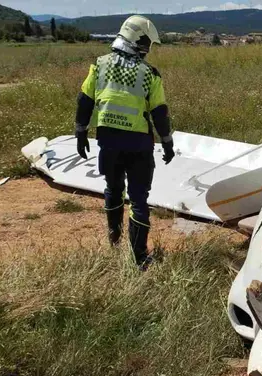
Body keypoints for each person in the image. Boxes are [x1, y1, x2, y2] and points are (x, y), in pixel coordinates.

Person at [74, 15, 175, 269]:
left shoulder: (99, 65)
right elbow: (159, 112)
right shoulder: (149, 73)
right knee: (138, 198)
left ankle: (114, 241)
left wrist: (80, 132)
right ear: (137, 39)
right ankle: (139, 258)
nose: (147, 49)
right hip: (139, 144)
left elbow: (85, 100)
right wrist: (167, 142)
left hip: (108, 141)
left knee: (113, 188)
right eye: (146, 43)